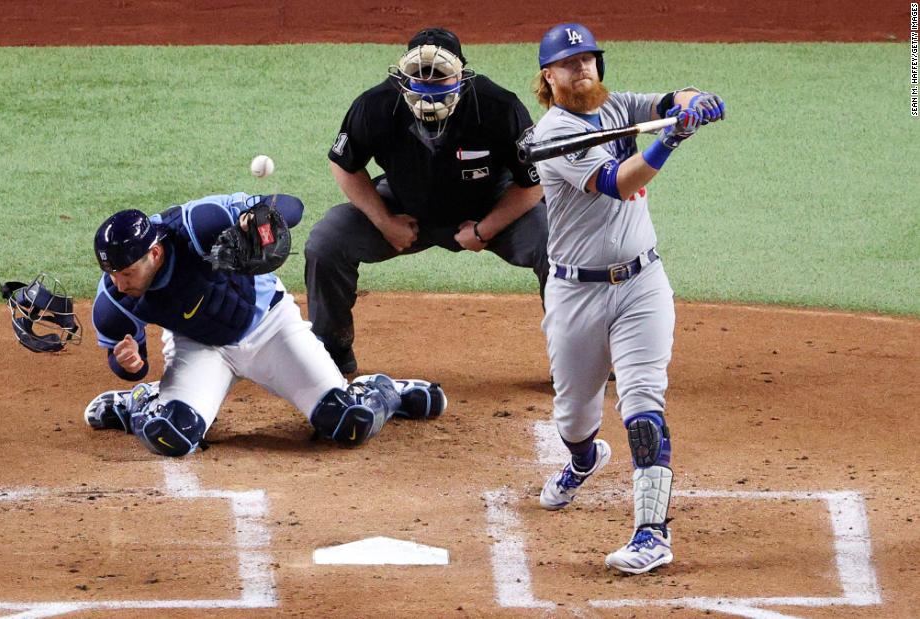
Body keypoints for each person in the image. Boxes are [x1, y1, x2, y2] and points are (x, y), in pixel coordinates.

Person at [526, 23, 725, 574]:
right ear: (548, 75)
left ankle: (651, 533)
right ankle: (583, 459)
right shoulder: (553, 135)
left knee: (641, 406)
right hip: (574, 293)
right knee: (574, 419)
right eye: (569, 63)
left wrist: (694, 101)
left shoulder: (617, 106)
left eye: (588, 59)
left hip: (642, 283)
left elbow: (668, 99)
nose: (582, 69)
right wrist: (673, 139)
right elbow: (616, 180)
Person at [82, 192, 447, 456]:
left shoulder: (197, 224)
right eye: (111, 274)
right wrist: (131, 365)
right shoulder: (115, 298)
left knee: (348, 421)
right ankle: (141, 403)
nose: (119, 282)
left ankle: (385, 392)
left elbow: (290, 206)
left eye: (126, 272)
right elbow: (125, 359)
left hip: (271, 327)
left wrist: (256, 220)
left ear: (155, 253)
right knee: (171, 437)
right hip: (200, 347)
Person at [305, 27, 549, 374]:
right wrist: (385, 222)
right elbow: (343, 164)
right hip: (405, 202)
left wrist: (484, 229)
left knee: (557, 245)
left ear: (461, 76)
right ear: (403, 77)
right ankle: (332, 350)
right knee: (327, 242)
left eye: (440, 77)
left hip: (489, 204)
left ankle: (574, 358)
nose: (429, 86)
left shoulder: (498, 106)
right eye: (419, 77)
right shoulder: (377, 105)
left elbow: (533, 184)